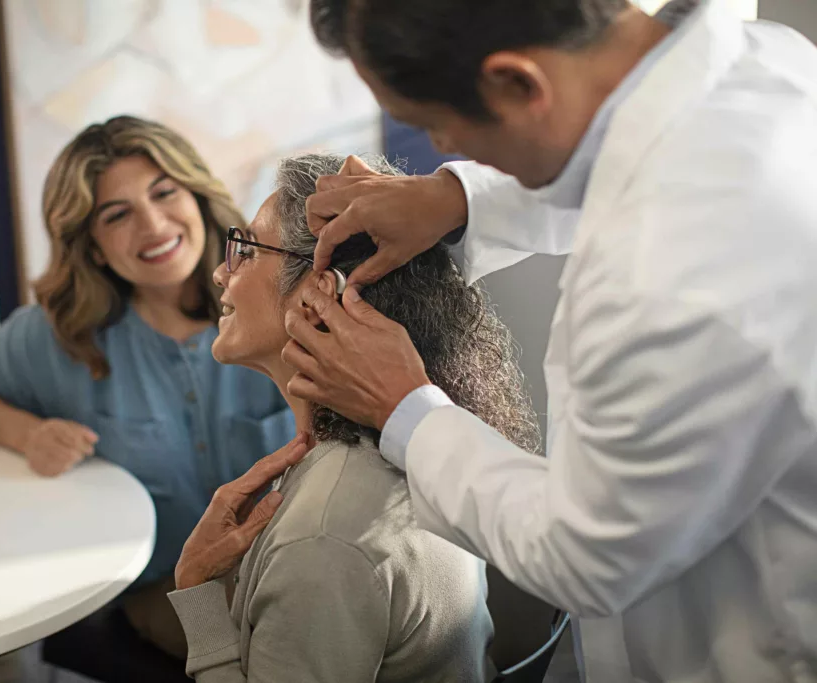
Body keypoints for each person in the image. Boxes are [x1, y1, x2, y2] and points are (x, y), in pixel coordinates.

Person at [279, 1, 817, 682]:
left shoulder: (668, 276)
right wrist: (455, 197)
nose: (444, 144)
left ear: (516, 82)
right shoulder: (768, 62)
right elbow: (616, 162)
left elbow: (584, 557)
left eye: (434, 123)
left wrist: (404, 408)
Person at [165, 153, 541, 682]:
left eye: (246, 252)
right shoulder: (408, 458)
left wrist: (199, 599)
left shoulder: (325, 538)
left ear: (322, 293)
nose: (220, 271)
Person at [0, 116, 295, 661]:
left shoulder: (282, 294)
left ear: (198, 197)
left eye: (165, 193)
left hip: (296, 568)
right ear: (90, 247)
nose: (154, 224)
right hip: (170, 595)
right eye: (118, 215)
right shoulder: (61, 337)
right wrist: (28, 434)